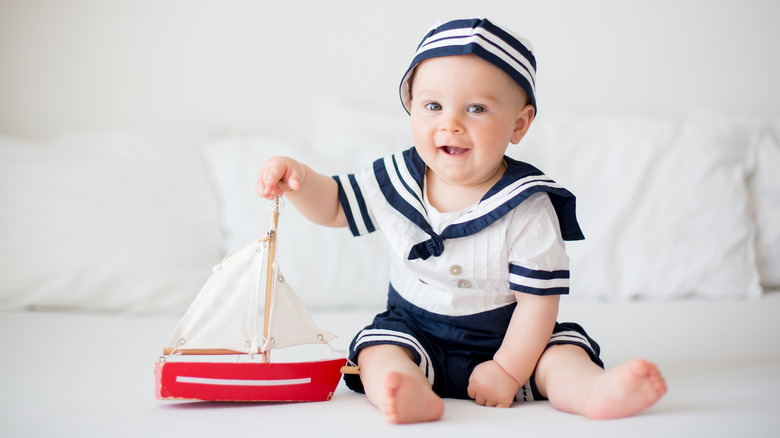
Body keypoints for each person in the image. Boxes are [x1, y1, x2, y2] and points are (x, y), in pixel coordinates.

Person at [256, 18, 666, 424]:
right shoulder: (397, 180)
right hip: (414, 328)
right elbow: (335, 206)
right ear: (411, 107)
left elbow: (538, 304)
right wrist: (301, 181)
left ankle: (594, 392)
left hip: (511, 339)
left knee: (560, 356)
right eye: (433, 106)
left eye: (476, 108)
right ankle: (404, 389)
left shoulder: (525, 205)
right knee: (377, 351)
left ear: (518, 124)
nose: (451, 123)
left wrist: (507, 369)